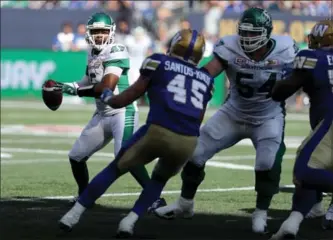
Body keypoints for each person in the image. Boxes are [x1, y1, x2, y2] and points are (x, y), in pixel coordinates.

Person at [155, 7, 300, 234]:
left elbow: (301, 76)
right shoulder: (229, 46)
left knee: (266, 162)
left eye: (253, 33)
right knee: (195, 153)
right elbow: (206, 73)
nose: (247, 38)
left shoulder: (286, 48)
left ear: (267, 32)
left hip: (268, 116)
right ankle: (185, 204)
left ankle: (261, 212)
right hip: (234, 112)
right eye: (244, 32)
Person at [58, 29, 214, 237]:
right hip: (187, 140)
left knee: (115, 168)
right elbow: (198, 117)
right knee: (158, 180)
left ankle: (73, 215)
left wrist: (108, 98)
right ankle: (129, 221)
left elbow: (128, 96)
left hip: (159, 129)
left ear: (174, 45)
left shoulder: (159, 61)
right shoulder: (206, 79)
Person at [53, 12, 165, 208]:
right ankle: (84, 196)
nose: (98, 36)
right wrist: (63, 86)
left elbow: (107, 87)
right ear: (89, 33)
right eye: (95, 32)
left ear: (111, 32)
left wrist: (74, 91)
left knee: (126, 156)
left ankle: (155, 197)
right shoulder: (91, 52)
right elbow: (86, 82)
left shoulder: (117, 50)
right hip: (102, 113)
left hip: (122, 111)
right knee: (76, 156)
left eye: (103, 32)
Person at [269, 19, 333, 239]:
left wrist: (277, 81)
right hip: (326, 125)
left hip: (329, 123)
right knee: (319, 163)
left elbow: (282, 91)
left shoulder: (313, 57)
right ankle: (293, 222)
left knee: (304, 170)